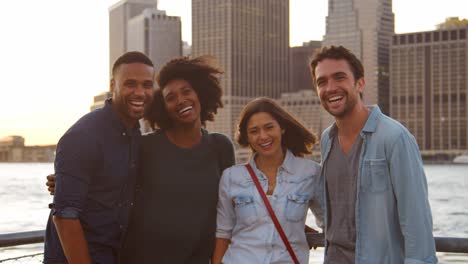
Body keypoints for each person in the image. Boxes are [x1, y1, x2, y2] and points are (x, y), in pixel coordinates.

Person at [309, 45, 437, 263]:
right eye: (322, 82)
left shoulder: (394, 137)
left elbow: (417, 222)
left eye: (339, 77)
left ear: (360, 83)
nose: (330, 88)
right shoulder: (327, 140)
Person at [119, 56, 235, 264]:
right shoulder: (146, 148)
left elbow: (239, 202)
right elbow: (109, 178)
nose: (181, 100)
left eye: (186, 91)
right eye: (170, 97)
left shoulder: (220, 147)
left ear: (199, 93)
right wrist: (68, 180)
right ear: (163, 107)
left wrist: (291, 218)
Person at [43, 51, 155, 264]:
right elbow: (65, 216)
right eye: (130, 84)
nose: (140, 92)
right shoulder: (84, 135)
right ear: (113, 85)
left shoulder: (134, 134)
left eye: (147, 85)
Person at [212, 97, 324, 264]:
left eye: (269, 127)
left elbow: (332, 225)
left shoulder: (310, 173)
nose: (263, 136)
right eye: (254, 131)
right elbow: (223, 234)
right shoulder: (231, 177)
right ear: (247, 137)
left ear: (282, 128)